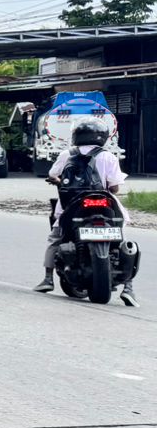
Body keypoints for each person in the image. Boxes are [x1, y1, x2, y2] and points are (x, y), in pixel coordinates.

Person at [35, 119, 136, 304]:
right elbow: (114, 188)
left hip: (73, 204)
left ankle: (48, 279)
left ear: (76, 135)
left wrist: (60, 181)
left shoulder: (67, 154)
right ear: (103, 136)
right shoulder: (108, 156)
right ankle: (128, 287)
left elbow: (52, 174)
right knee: (120, 239)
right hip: (105, 204)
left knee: (55, 238)